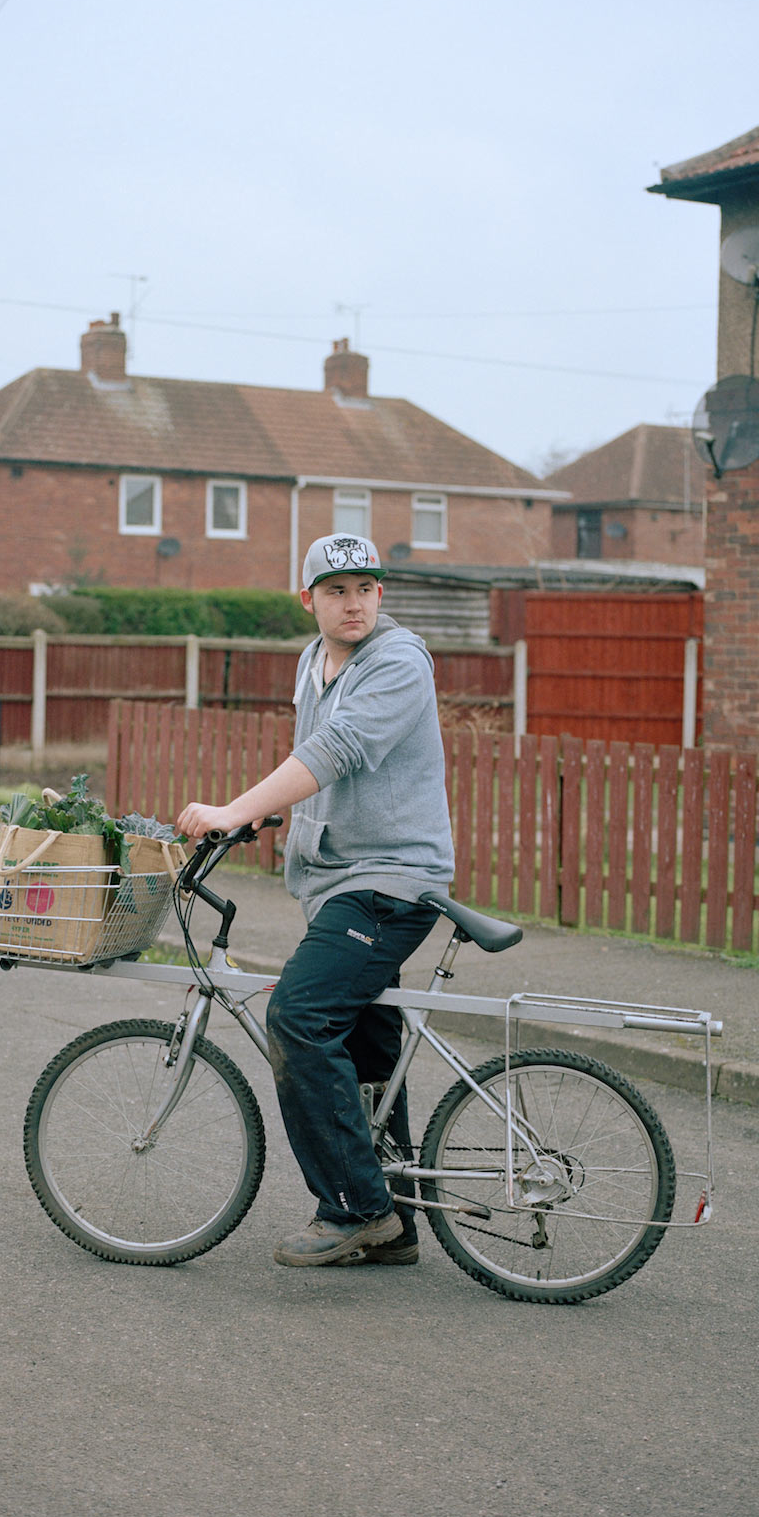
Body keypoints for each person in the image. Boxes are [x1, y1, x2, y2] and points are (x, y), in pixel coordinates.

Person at [177, 533, 454, 1268]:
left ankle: (356, 1209)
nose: (353, 602)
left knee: (298, 1017)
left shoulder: (397, 661)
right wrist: (267, 815)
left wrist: (235, 807)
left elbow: (338, 752)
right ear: (310, 601)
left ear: (381, 595)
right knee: (367, 1056)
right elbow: (318, 764)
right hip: (340, 883)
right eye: (336, 591)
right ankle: (394, 1220)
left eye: (365, 588)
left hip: (389, 885)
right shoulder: (315, 662)